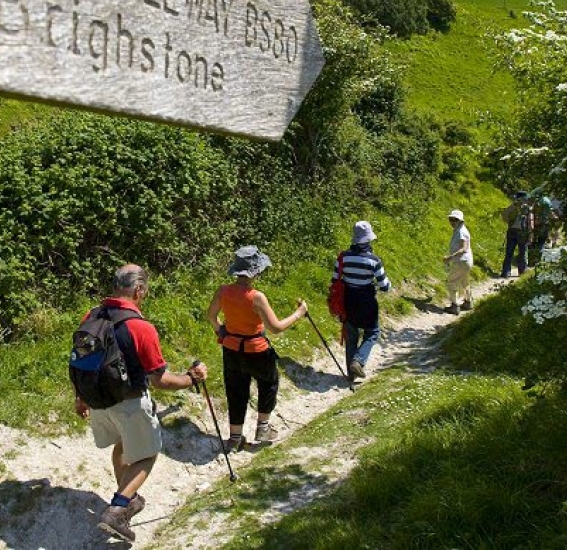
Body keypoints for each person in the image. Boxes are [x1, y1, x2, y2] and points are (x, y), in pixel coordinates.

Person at [74, 264, 208, 543]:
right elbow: (160, 380)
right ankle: (118, 509)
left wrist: (81, 397)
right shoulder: (140, 327)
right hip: (130, 402)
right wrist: (192, 378)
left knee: (122, 445)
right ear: (138, 290)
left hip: (98, 401)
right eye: (144, 291)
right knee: (148, 454)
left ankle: (128, 497)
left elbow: (84, 361)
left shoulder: (92, 315)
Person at [206, 245, 307, 453]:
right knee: (269, 383)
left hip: (231, 348)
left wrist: (221, 332)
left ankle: (234, 438)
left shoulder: (223, 291)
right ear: (256, 271)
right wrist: (299, 313)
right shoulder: (256, 297)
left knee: (235, 391)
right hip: (257, 349)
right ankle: (262, 428)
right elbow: (276, 328)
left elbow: (211, 315)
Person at [331, 221, 392, 380]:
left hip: (348, 302)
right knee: (372, 332)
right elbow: (384, 285)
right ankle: (358, 360)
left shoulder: (343, 257)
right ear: (368, 239)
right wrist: (387, 285)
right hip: (367, 304)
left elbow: (335, 279)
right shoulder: (374, 260)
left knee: (351, 336)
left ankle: (351, 374)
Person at [443, 210, 473, 314]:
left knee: (451, 282)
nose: (452, 222)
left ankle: (454, 306)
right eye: (450, 219)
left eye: (454, 220)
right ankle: (468, 302)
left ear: (460, 221)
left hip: (461, 261)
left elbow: (463, 248)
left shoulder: (461, 231)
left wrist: (449, 258)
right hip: (466, 261)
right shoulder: (460, 229)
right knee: (465, 281)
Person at [500, 191, 534, 277]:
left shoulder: (512, 206)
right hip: (523, 232)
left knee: (509, 252)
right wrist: (530, 235)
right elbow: (530, 222)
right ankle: (522, 272)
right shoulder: (528, 208)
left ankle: (506, 272)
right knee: (522, 252)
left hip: (511, 230)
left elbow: (504, 216)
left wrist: (509, 222)